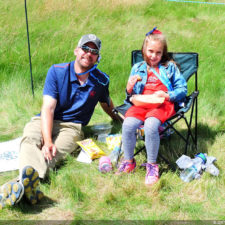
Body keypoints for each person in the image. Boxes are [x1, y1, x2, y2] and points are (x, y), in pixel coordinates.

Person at [0, 34, 118, 209]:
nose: (88, 53)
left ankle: (16, 186)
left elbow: (106, 103)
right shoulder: (57, 71)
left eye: (94, 51)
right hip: (45, 118)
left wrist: (121, 120)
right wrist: (47, 141)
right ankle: (27, 186)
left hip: (72, 128)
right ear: (76, 51)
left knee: (53, 156)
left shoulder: (101, 80)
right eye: (85, 48)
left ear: (98, 57)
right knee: (30, 139)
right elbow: (48, 108)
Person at [116, 27, 187, 186]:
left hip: (163, 104)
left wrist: (168, 95)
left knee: (150, 125)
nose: (154, 56)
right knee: (127, 124)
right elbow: (131, 95)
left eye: (158, 53)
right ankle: (129, 161)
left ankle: (152, 165)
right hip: (142, 103)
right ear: (143, 50)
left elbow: (183, 89)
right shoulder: (137, 68)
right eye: (150, 51)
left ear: (163, 53)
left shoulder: (170, 67)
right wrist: (129, 88)